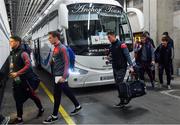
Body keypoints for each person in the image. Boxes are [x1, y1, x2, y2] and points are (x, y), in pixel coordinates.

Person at [43, 31, 82, 124]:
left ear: (56, 37)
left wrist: (64, 77)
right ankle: (77, 106)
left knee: (57, 96)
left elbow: (67, 62)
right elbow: (57, 59)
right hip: (57, 75)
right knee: (65, 92)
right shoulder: (56, 47)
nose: (49, 39)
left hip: (60, 76)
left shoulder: (62, 48)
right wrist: (52, 61)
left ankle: (54, 116)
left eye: (50, 38)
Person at [9, 36, 44, 124]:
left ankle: (41, 109)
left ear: (18, 42)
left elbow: (28, 66)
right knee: (18, 99)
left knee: (32, 96)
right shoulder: (13, 52)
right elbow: (14, 63)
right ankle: (19, 118)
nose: (10, 43)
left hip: (26, 81)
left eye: (12, 41)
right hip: (17, 81)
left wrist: (17, 73)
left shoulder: (23, 53)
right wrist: (12, 67)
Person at [107, 31, 134, 108]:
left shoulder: (122, 44)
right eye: (108, 37)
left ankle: (125, 99)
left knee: (119, 83)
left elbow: (127, 55)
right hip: (115, 67)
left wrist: (131, 66)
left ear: (113, 36)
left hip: (122, 67)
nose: (108, 39)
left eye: (109, 37)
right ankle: (123, 100)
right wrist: (109, 59)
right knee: (118, 84)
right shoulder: (111, 46)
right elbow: (113, 57)